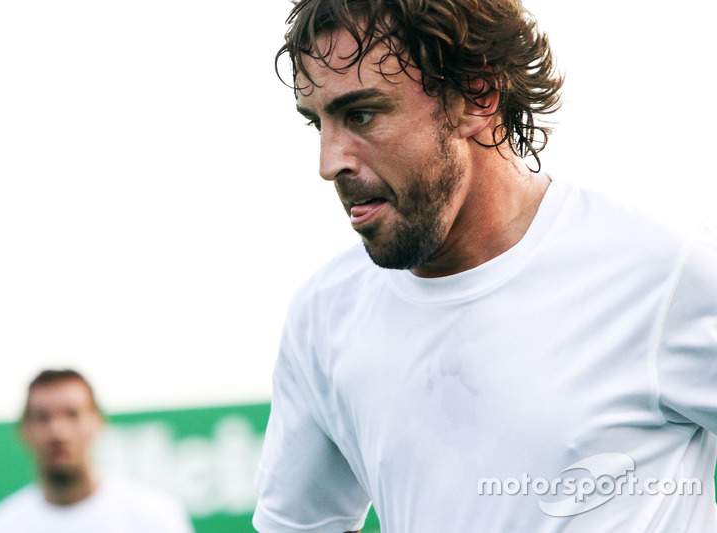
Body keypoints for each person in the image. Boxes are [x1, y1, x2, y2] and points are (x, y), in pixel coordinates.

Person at [253, 0, 717, 531]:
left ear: (477, 95)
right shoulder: (323, 315)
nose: (329, 161)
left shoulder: (662, 270)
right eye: (318, 123)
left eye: (362, 114)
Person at [0, 369, 195, 533]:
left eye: (72, 414)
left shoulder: (155, 518)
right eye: (43, 417)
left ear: (97, 422)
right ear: (24, 431)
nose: (58, 431)